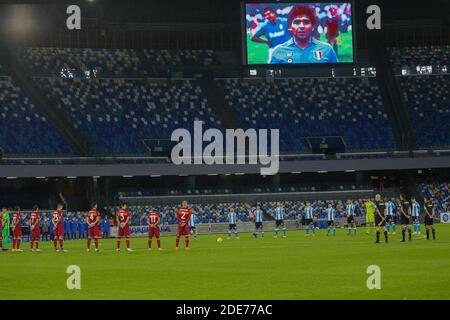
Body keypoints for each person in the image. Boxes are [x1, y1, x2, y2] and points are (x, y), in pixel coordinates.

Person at [269, 5, 338, 64]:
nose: (301, 26)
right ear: (290, 27)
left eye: (306, 22)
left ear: (313, 27)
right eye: (297, 22)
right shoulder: (278, 51)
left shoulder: (327, 49)